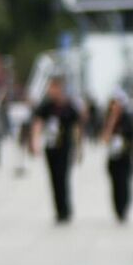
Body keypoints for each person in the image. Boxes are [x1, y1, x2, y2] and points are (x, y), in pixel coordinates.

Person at [28, 77, 82, 223]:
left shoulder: (69, 106)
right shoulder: (46, 106)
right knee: (54, 179)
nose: (51, 91)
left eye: (54, 88)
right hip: (51, 148)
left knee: (63, 177)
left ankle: (66, 209)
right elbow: (37, 123)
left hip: (65, 147)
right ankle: (58, 210)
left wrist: (79, 148)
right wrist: (35, 142)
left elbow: (77, 127)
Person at [99, 89, 133, 224]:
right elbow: (104, 138)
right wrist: (112, 120)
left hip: (125, 157)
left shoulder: (128, 119)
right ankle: (117, 210)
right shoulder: (109, 119)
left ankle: (124, 209)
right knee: (115, 185)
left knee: (125, 184)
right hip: (113, 158)